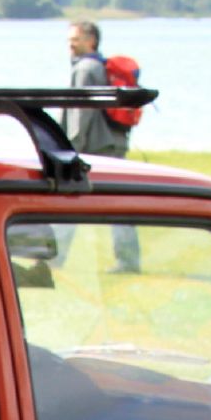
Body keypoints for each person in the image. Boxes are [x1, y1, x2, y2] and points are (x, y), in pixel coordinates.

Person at [66, 20, 139, 273]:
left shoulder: (85, 69)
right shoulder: (100, 66)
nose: (70, 44)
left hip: (94, 147)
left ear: (91, 41)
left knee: (66, 201)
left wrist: (70, 149)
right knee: (119, 204)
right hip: (113, 143)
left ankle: (52, 258)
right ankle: (129, 259)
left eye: (75, 39)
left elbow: (79, 112)